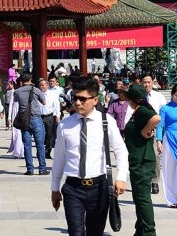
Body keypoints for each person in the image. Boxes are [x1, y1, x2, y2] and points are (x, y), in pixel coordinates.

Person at [51, 77, 128, 236]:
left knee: (95, 232)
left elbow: (120, 150)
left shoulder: (106, 122)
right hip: (73, 187)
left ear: (94, 100)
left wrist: (121, 177)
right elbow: (59, 157)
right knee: (75, 232)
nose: (77, 103)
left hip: (99, 187)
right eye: (74, 98)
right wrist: (54, 188)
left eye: (82, 99)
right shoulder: (65, 125)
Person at [125, 83, 161, 236]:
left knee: (143, 198)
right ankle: (141, 229)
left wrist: (146, 131)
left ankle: (148, 231)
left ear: (132, 99)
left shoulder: (142, 111)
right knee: (139, 198)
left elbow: (156, 118)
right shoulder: (138, 111)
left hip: (142, 161)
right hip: (138, 160)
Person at [14, 71, 48, 175]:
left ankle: (30, 169)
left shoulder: (17, 91)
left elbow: (16, 101)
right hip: (36, 118)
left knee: (27, 145)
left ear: (21, 80)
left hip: (24, 120)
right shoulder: (36, 90)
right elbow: (44, 102)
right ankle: (42, 168)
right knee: (40, 145)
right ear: (30, 79)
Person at [142, 74, 165, 195]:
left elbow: (164, 114)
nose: (147, 84)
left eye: (149, 82)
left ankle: (154, 181)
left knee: (155, 155)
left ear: (152, 83)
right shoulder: (138, 97)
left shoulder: (158, 96)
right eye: (144, 82)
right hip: (140, 129)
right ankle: (143, 180)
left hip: (154, 129)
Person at [39, 78, 61, 160]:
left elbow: (56, 105)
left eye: (43, 85)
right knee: (40, 135)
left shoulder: (52, 94)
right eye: (40, 85)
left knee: (49, 135)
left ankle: (48, 151)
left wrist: (57, 116)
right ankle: (40, 152)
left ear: (46, 85)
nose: (42, 87)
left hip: (49, 116)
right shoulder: (38, 94)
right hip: (40, 116)